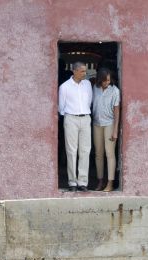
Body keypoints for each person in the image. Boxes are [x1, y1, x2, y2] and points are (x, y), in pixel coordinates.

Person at [58, 62, 93, 192]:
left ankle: (82, 182)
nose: (85, 73)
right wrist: (68, 116)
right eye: (82, 71)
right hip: (71, 118)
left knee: (85, 150)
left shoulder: (88, 84)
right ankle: (72, 182)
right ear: (75, 71)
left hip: (85, 118)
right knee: (71, 151)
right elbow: (61, 107)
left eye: (85, 71)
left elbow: (90, 101)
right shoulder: (65, 87)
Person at [91, 67, 121, 192]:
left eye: (108, 80)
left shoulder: (114, 90)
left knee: (110, 154)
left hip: (109, 124)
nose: (107, 82)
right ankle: (100, 181)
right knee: (98, 154)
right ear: (99, 80)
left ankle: (110, 183)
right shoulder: (95, 88)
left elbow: (117, 111)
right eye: (105, 81)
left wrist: (115, 130)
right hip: (96, 124)